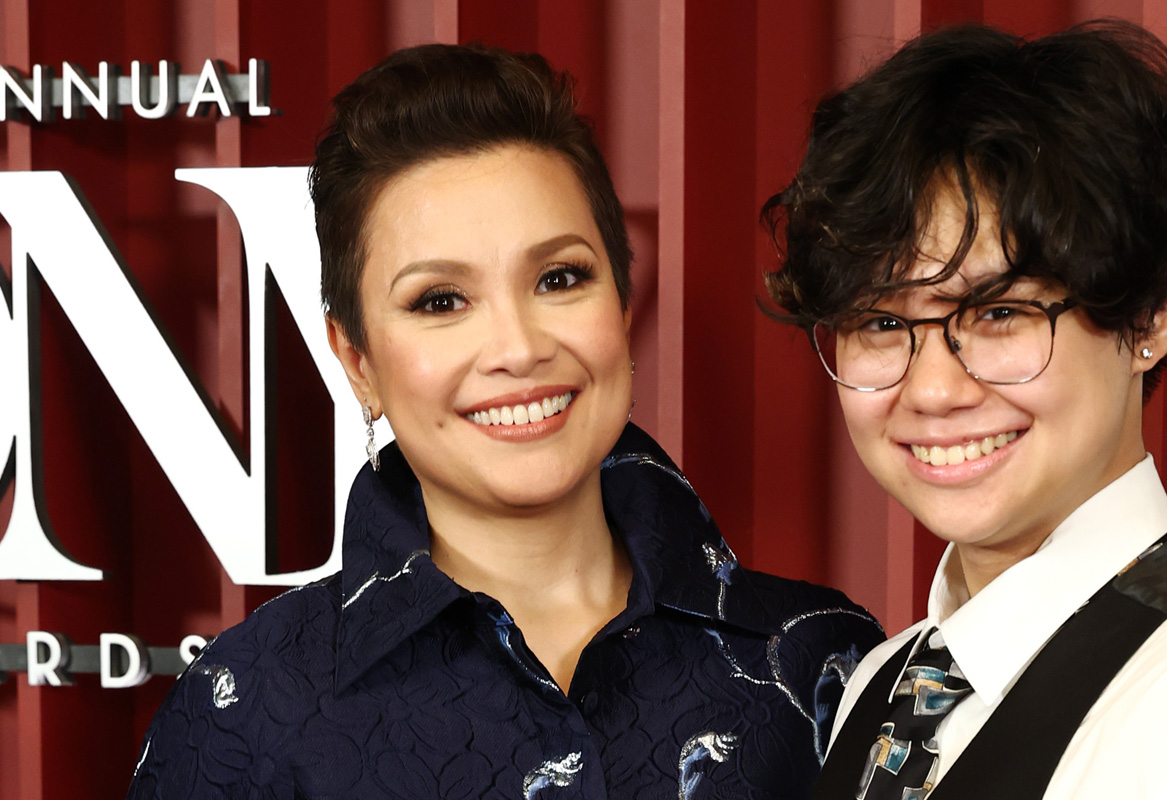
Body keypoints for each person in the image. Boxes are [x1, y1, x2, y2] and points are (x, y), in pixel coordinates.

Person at [128, 43, 883, 800]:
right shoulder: (246, 710)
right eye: (440, 301)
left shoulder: (825, 659)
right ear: (358, 362)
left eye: (559, 279)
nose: (518, 349)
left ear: (621, 310)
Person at [761, 21, 1167, 800]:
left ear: (1149, 315)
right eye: (880, 323)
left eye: (999, 313)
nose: (932, 390)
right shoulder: (882, 688)